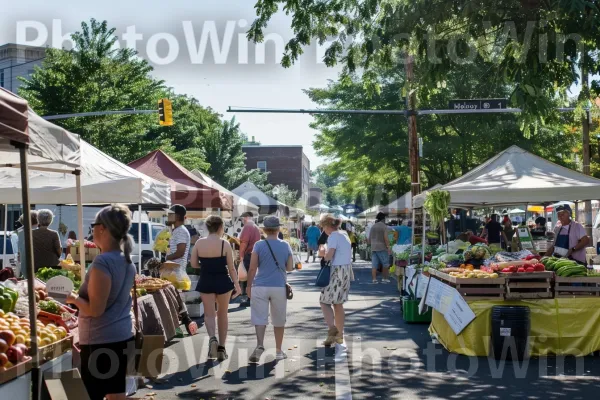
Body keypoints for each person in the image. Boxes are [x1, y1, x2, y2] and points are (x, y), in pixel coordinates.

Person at [66, 204, 136, 400]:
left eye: (93, 225)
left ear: (102, 228)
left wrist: (73, 298)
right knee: (117, 394)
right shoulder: (126, 259)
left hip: (102, 341)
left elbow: (96, 310)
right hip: (122, 336)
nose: (92, 229)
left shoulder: (103, 262)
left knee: (95, 395)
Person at [191, 216, 241, 361]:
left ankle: (212, 338)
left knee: (209, 314)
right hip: (223, 281)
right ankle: (221, 348)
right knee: (223, 314)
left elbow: (194, 264)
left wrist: (206, 266)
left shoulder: (200, 243)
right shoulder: (224, 244)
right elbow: (232, 268)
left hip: (206, 279)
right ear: (220, 227)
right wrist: (237, 286)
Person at [247, 216, 294, 363]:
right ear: (278, 228)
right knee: (279, 320)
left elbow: (253, 267)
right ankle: (279, 351)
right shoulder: (285, 245)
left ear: (264, 229)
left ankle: (260, 345)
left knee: (260, 318)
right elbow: (290, 267)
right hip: (279, 286)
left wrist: (248, 285)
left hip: (260, 286)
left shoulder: (258, 245)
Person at [319, 214, 353, 358]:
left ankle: (332, 329)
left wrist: (322, 253)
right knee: (338, 304)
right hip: (346, 271)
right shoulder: (344, 234)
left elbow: (329, 255)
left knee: (324, 301)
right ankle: (338, 335)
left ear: (327, 226)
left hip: (336, 271)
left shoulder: (332, 236)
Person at [164, 205, 196, 335]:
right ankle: (184, 322)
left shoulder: (181, 231)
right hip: (174, 269)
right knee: (175, 297)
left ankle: (180, 325)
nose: (168, 216)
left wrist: (166, 257)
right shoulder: (176, 230)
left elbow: (180, 252)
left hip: (176, 270)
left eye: (170, 214)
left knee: (173, 298)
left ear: (177, 216)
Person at [238, 211, 261, 307]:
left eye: (243, 218)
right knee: (253, 276)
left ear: (246, 217)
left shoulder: (247, 226)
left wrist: (241, 255)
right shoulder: (255, 227)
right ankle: (252, 297)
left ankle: (250, 298)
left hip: (249, 254)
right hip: (255, 253)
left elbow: (244, 242)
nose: (242, 220)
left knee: (249, 277)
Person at [367, 212, 392, 283]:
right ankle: (384, 278)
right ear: (384, 218)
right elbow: (386, 238)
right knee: (385, 263)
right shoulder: (384, 226)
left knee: (374, 264)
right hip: (382, 247)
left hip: (374, 247)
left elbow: (369, 239)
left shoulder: (373, 226)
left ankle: (374, 279)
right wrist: (388, 247)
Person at [16, 211, 38, 278]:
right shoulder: (37, 230)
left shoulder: (20, 232)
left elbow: (19, 249)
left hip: (24, 263)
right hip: (37, 262)